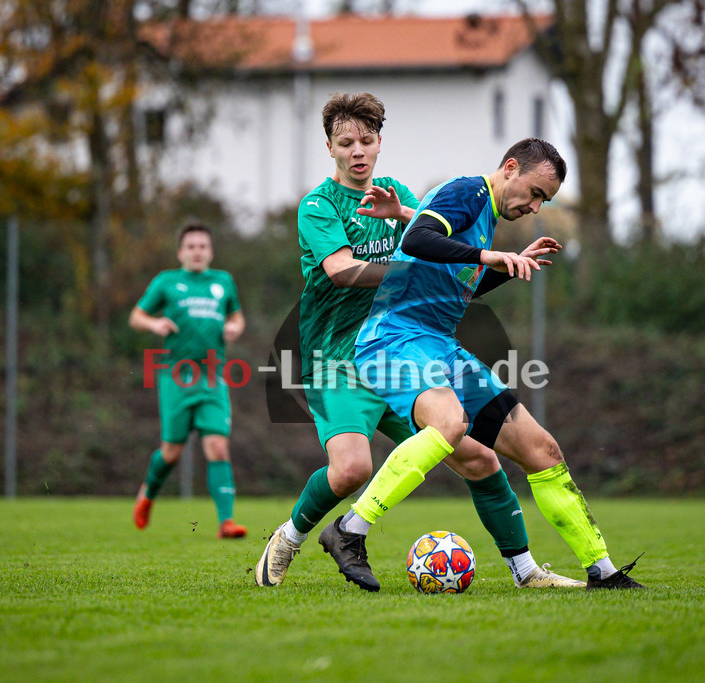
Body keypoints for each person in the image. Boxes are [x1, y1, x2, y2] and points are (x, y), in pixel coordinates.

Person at [254, 92, 584, 592]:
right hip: (336, 359)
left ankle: (525, 571)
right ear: (330, 148)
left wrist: (432, 233)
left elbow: (434, 237)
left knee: (480, 457)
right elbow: (342, 272)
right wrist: (433, 266)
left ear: (380, 142)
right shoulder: (317, 206)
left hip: (397, 354)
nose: (357, 151)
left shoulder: (393, 192)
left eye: (367, 140)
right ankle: (288, 538)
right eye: (346, 143)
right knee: (350, 471)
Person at [324, 137, 645, 590]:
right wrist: (486, 255)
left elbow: (455, 286)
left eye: (544, 201)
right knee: (450, 422)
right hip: (393, 339)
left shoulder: (484, 218)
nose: (535, 207)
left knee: (542, 450)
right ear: (510, 168)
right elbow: (416, 239)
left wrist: (502, 268)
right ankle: (349, 530)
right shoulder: (468, 193)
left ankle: (603, 572)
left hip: (437, 344)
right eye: (535, 193)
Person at [130, 223, 249, 539]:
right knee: (171, 453)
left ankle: (226, 522)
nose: (197, 251)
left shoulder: (223, 282)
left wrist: (235, 326)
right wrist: (154, 324)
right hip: (175, 376)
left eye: (203, 246)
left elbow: (236, 316)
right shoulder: (167, 282)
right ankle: (147, 494)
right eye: (191, 246)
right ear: (181, 252)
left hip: (212, 375)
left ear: (210, 252)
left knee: (217, 446)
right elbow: (136, 316)